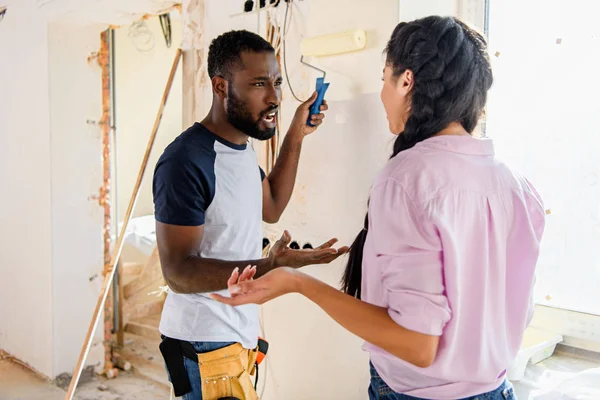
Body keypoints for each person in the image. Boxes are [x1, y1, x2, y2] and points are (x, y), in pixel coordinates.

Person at [212, 16, 546, 400]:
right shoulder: (518, 186)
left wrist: (297, 282)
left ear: (406, 81)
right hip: (499, 389)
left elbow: (419, 346)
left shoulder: (406, 179)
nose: (383, 91)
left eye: (385, 77)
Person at [153, 30, 347, 400]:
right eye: (259, 84)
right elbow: (178, 273)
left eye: (275, 82)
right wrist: (268, 265)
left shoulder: (240, 149)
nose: (274, 97)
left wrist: (296, 134)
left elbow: (271, 205)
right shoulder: (186, 161)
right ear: (221, 87)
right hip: (203, 341)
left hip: (235, 333)